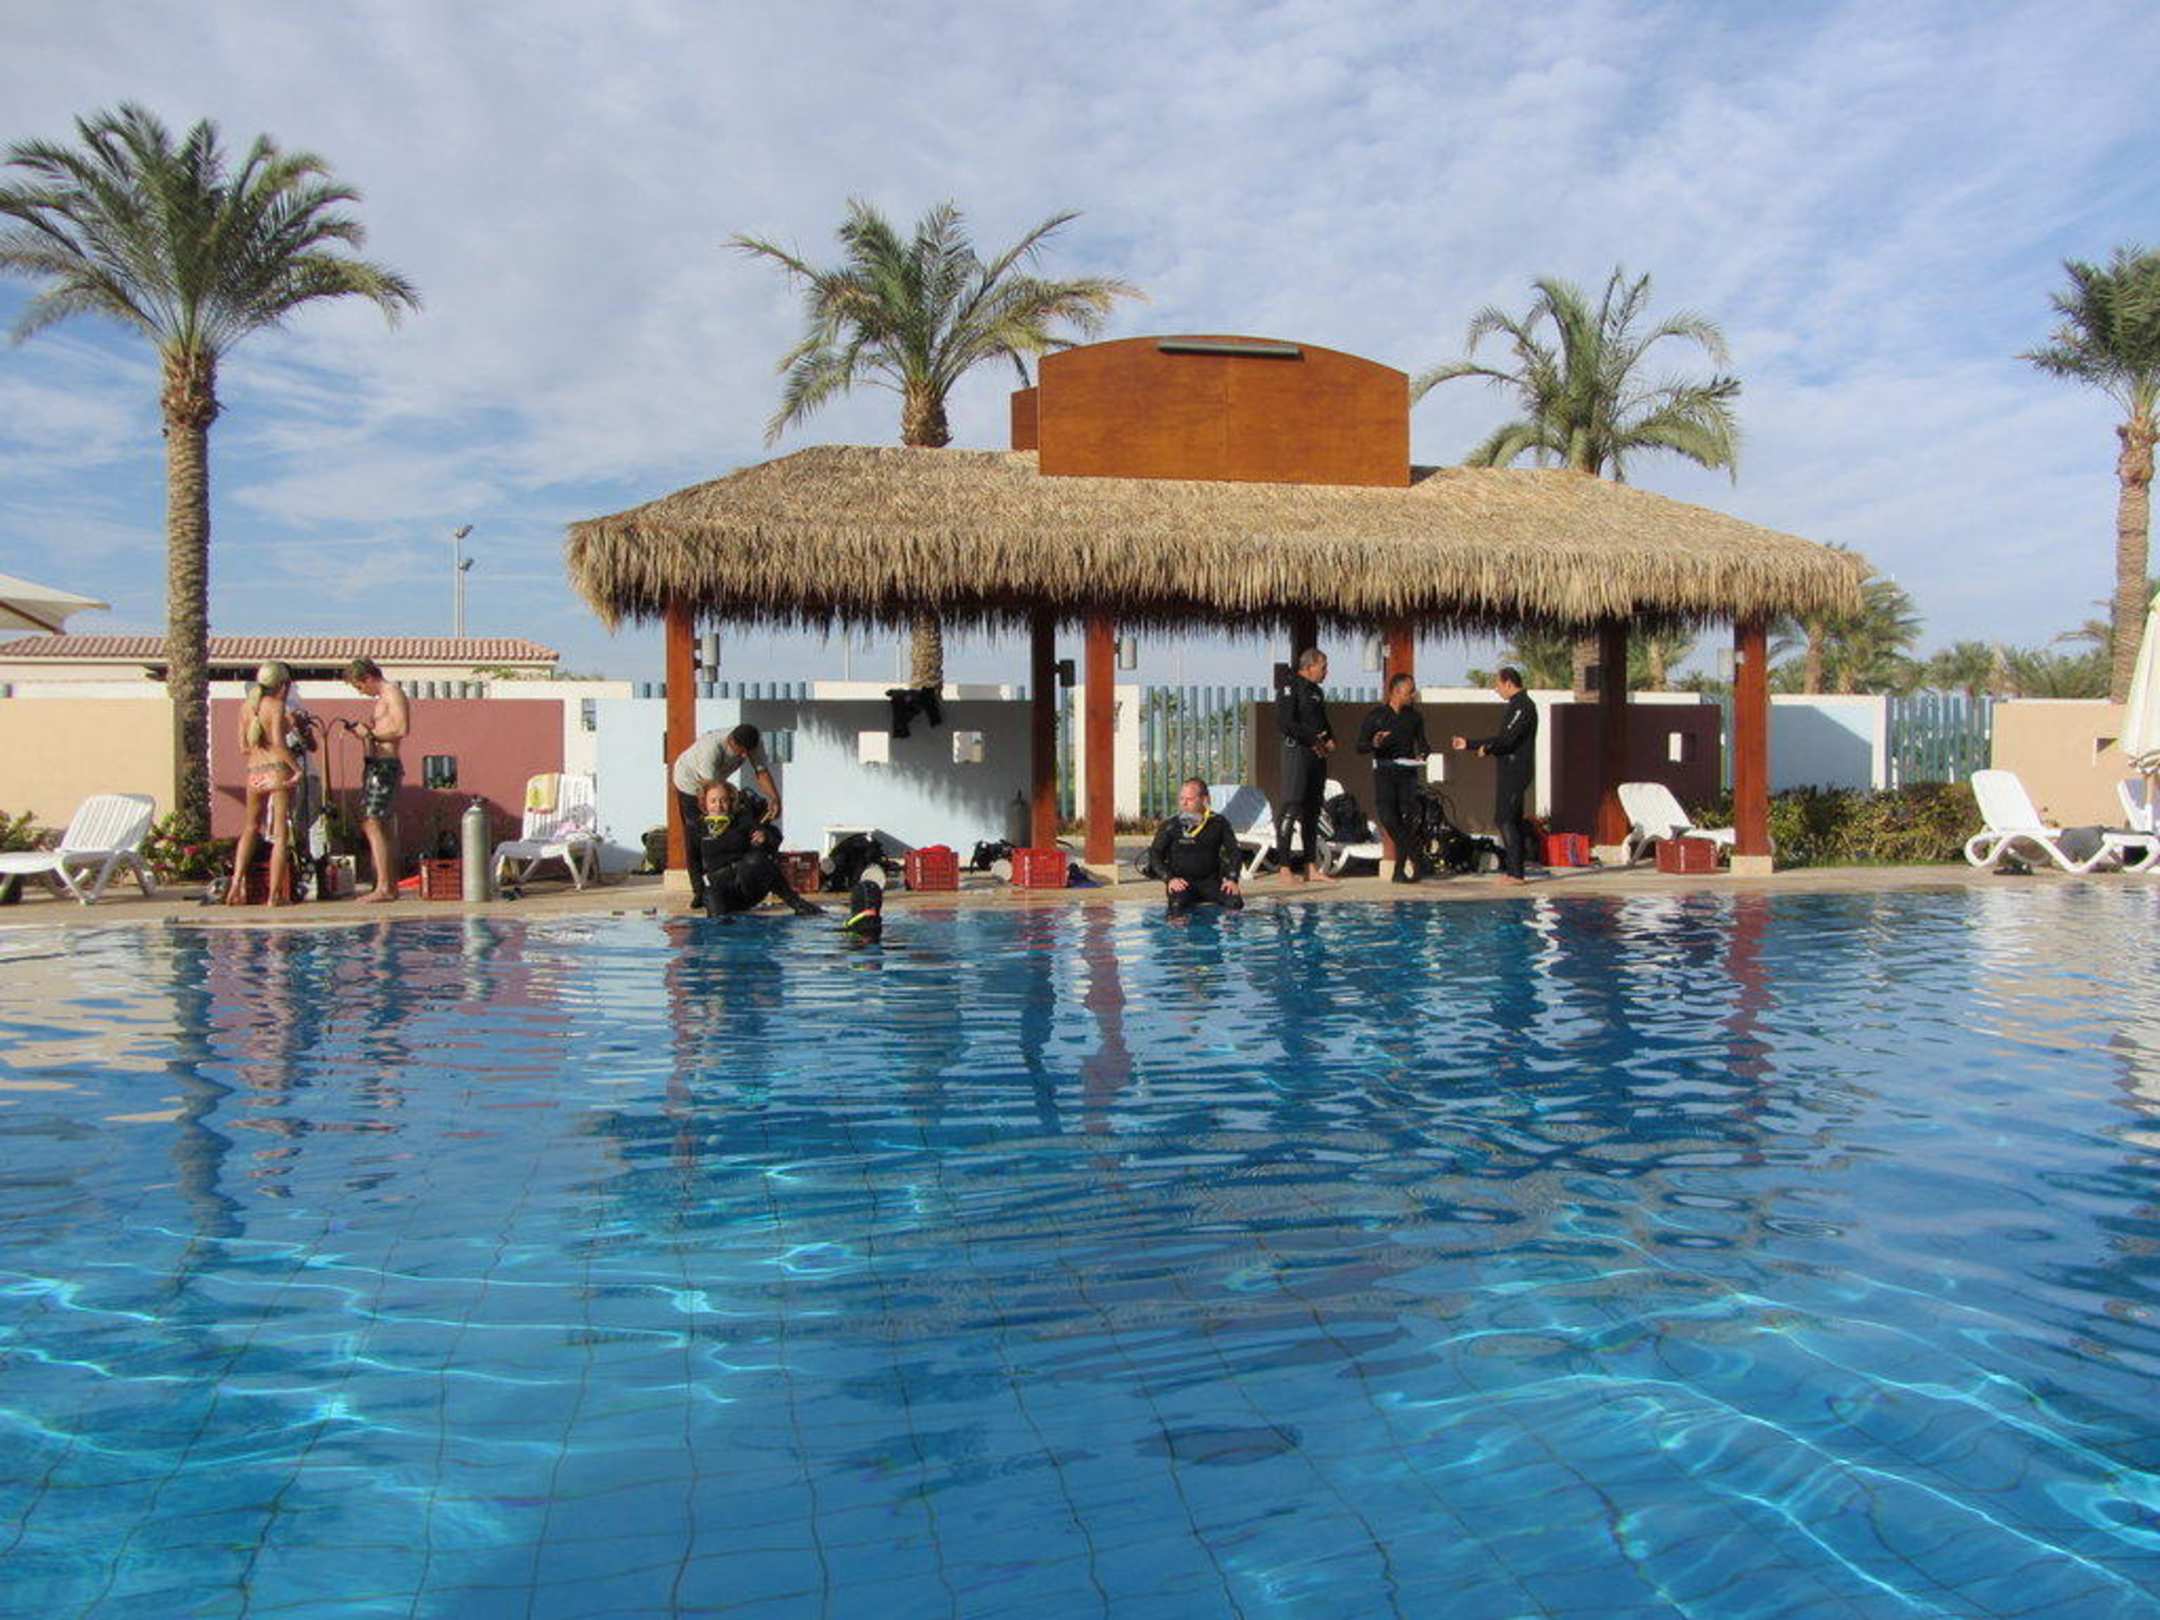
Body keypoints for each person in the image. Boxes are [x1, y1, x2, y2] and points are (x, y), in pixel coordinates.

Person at [672, 723, 782, 911]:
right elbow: (711, 789)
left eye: (748, 752)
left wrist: (774, 798)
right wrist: (734, 802)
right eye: (741, 752)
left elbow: (761, 771)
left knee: (735, 824)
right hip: (691, 784)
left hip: (717, 782)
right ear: (731, 742)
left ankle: (737, 880)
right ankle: (699, 891)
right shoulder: (710, 749)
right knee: (696, 837)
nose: (745, 756)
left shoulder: (753, 744)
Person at [1452, 665, 1539, 883]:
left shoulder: (1523, 706)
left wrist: (1488, 749)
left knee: (1505, 819)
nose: (1496, 689)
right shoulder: (1515, 705)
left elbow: (1508, 740)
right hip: (1509, 769)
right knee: (1510, 819)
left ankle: (1515, 874)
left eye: (1498, 685)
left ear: (1508, 683)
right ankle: (1515, 872)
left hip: (1516, 771)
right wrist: (1470, 744)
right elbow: (1503, 738)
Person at [226, 662, 300, 906]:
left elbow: (243, 747)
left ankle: (236, 884)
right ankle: (274, 895)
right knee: (280, 835)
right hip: (276, 772)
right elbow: (278, 743)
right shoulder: (276, 706)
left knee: (250, 828)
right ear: (282, 684)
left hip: (254, 773)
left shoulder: (246, 707)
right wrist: (296, 769)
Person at [696, 782, 823, 918]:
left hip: (747, 885)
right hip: (721, 887)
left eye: (723, 800)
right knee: (714, 905)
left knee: (757, 859)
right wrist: (699, 893)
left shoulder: (743, 820)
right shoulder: (698, 828)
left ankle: (797, 903)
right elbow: (693, 862)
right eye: (713, 801)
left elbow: (775, 839)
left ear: (731, 802)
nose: (718, 806)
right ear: (705, 804)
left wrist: (765, 838)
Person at [343, 656, 410, 903]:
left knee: (372, 822)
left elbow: (401, 729)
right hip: (377, 765)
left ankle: (384, 886)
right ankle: (388, 885)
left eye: (360, 686)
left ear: (369, 678)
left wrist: (370, 733)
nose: (361, 692)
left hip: (385, 767)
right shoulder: (383, 698)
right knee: (381, 824)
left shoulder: (392, 693)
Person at [1357, 672, 1430, 883]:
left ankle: (1400, 871)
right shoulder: (1377, 716)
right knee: (1389, 819)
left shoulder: (1414, 717)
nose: (1413, 695)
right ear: (1396, 692)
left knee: (1406, 820)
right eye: (1409, 691)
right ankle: (1416, 857)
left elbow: (1423, 744)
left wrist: (1423, 754)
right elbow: (1360, 746)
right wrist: (1375, 743)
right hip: (1385, 772)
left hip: (1407, 773)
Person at [1273, 647, 1338, 883]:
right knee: (1292, 806)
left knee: (1313, 809)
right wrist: (1312, 739)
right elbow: (1285, 723)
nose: (1326, 672)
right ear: (1309, 667)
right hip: (1297, 752)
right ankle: (1284, 867)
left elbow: (1322, 722)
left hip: (1316, 755)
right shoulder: (1290, 686)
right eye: (1323, 667)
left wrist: (1329, 739)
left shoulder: (1317, 692)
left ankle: (1310, 866)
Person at [1148, 778, 1245, 916]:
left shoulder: (1218, 823)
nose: (1184, 803)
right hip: (1182, 883)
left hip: (1211, 883)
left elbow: (1234, 851)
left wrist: (1232, 878)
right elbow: (1155, 854)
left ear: (1204, 800)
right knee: (1176, 907)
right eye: (1181, 798)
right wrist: (1169, 878)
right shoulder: (1170, 825)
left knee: (1235, 903)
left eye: (1189, 799)